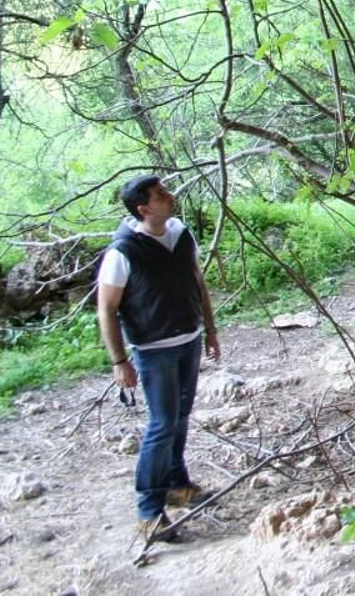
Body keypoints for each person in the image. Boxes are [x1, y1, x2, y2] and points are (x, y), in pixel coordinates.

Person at [96, 175, 222, 542]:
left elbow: (197, 282)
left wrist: (210, 329)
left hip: (189, 338)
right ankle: (149, 511)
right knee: (162, 424)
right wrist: (120, 360)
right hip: (153, 350)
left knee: (180, 417)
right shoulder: (123, 251)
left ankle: (176, 484)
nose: (170, 197)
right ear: (143, 208)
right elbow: (106, 308)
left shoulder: (180, 234)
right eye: (160, 195)